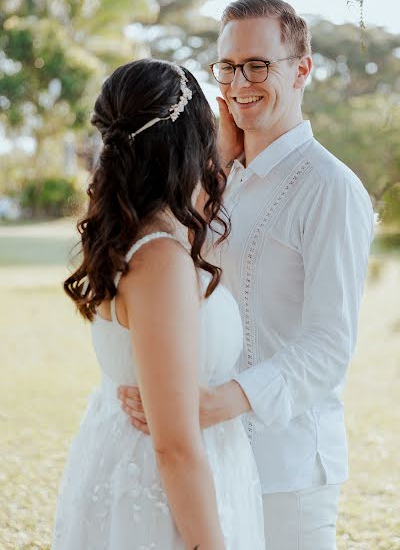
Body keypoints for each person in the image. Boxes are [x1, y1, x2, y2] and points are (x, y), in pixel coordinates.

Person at [119, 0, 375, 549]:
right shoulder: (212, 181)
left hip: (286, 470)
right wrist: (216, 167)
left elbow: (329, 345)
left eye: (258, 65)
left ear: (302, 69)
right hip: (205, 458)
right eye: (229, 67)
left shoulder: (330, 189)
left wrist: (222, 401)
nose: (240, 82)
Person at [52, 58, 265, 550]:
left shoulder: (136, 238)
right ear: (189, 142)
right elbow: (174, 445)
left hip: (134, 465)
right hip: (167, 490)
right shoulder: (161, 262)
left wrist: (222, 164)